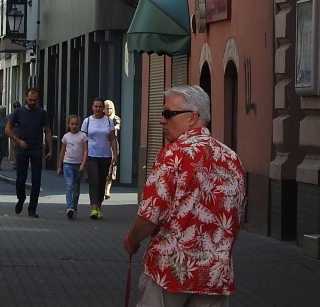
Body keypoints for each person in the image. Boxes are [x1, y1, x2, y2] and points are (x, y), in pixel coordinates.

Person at [122, 86, 246, 307]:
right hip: (214, 275)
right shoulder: (231, 158)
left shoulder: (173, 154)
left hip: (170, 272)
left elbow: (150, 214)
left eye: (169, 113)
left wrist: (132, 240)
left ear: (193, 118)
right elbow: (236, 215)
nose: (162, 120)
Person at [5, 87, 53, 218]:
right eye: (30, 100)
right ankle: (21, 198)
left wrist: (50, 149)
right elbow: (7, 129)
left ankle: (32, 209)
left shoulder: (42, 113)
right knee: (20, 179)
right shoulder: (18, 112)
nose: (32, 102)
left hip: (37, 149)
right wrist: (17, 140)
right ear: (26, 98)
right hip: (22, 149)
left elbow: (47, 131)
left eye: (35, 100)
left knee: (36, 180)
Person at [81, 98, 116, 219]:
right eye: (96, 106)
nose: (98, 109)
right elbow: (83, 139)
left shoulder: (108, 121)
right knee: (94, 181)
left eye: (100, 107)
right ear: (92, 107)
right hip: (91, 155)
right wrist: (83, 155)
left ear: (103, 108)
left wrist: (115, 155)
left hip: (105, 155)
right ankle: (93, 208)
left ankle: (99, 206)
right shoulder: (87, 121)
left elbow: (112, 138)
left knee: (101, 182)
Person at [55, 114, 87, 219]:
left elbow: (86, 151)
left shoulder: (83, 136)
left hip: (78, 165)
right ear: (68, 124)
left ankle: (74, 208)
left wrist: (83, 164)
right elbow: (62, 151)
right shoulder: (66, 137)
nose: (74, 126)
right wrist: (59, 166)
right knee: (69, 185)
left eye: (76, 124)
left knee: (76, 187)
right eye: (72, 124)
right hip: (67, 164)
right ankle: (69, 208)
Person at [103, 98, 121, 199]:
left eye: (110, 108)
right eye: (107, 108)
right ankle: (103, 189)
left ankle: (107, 190)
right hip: (103, 144)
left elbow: (117, 126)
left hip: (112, 145)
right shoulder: (101, 119)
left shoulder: (115, 118)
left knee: (111, 167)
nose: (109, 110)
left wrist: (115, 127)